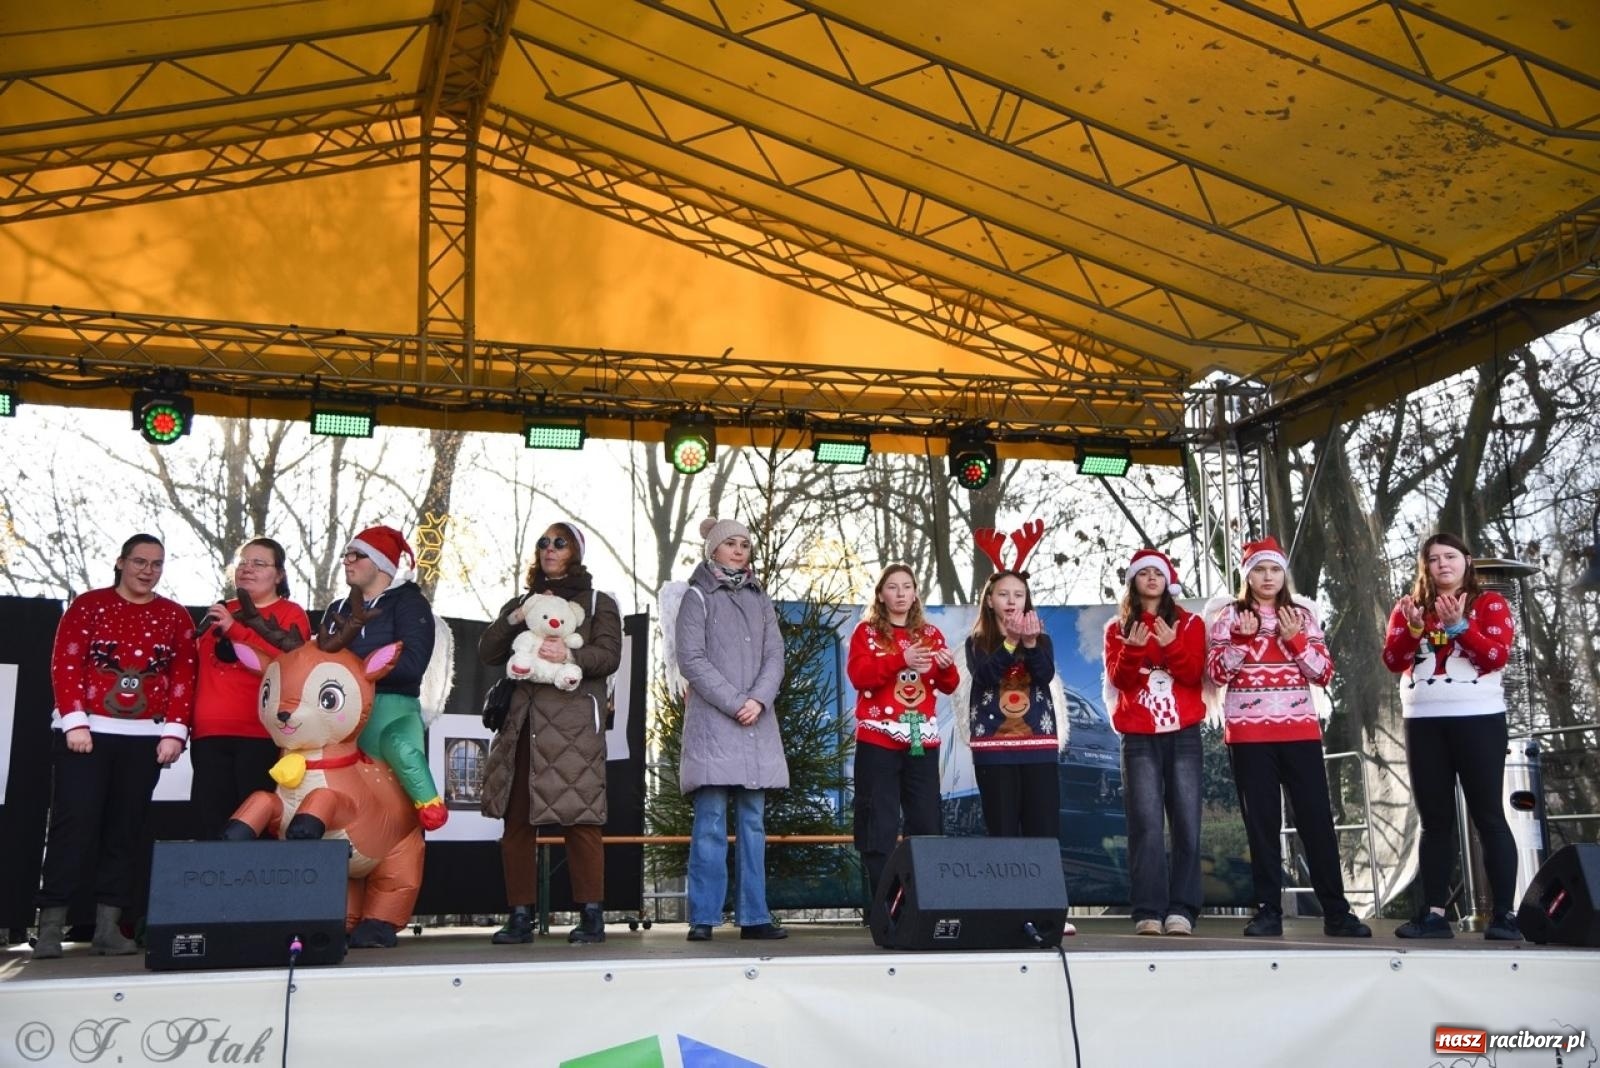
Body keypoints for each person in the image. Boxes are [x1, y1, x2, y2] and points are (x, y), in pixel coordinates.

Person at [35, 533, 198, 958]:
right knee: (74, 826)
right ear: (121, 562)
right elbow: (65, 663)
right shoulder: (89, 605)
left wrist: (174, 730)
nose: (148, 570)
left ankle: (109, 927)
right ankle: (51, 925)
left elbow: (183, 674)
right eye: (140, 561)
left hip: (145, 739)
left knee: (126, 830)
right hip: (85, 736)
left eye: (157, 563)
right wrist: (74, 720)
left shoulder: (175, 617)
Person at [1205, 535, 1370, 938]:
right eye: (1259, 570)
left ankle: (1336, 911)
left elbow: (1323, 673)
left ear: (1284, 574)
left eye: (1274, 569)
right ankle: (1267, 910)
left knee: (1316, 819)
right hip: (1248, 733)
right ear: (1247, 575)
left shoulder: (1303, 615)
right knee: (1261, 824)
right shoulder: (1228, 616)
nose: (1267, 577)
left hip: (1299, 730)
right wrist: (1242, 643)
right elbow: (1216, 675)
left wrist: (1295, 640)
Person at [479, 521, 622, 945]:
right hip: (524, 723)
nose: (548, 548)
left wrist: (571, 650)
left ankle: (591, 915)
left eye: (559, 542)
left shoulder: (599, 602)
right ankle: (519, 915)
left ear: (575, 551)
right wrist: (515, 617)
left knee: (582, 818)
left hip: (575, 723)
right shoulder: (523, 600)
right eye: (543, 542)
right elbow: (488, 651)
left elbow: (610, 655)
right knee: (517, 819)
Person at [1382, 533, 1521, 941]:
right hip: (1423, 720)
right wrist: (1411, 629)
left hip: (1478, 718)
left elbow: (1497, 656)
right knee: (1434, 822)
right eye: (1433, 559)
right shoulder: (1410, 607)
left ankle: (1504, 916)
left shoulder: (1489, 603)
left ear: (1466, 561)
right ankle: (1433, 915)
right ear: (1424, 567)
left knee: (1489, 817)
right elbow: (1393, 660)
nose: (1442, 564)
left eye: (1450, 557)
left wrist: (1459, 626)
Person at [675, 517, 789, 942]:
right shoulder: (697, 596)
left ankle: (755, 916)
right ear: (714, 551)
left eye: (745, 544)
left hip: (756, 723)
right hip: (714, 725)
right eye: (731, 544)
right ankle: (703, 917)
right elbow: (691, 659)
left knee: (753, 823)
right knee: (709, 821)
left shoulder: (761, 598)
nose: (740, 550)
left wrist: (758, 699)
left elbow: (775, 655)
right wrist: (736, 701)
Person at [1103, 548, 1206, 936]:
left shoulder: (1191, 623)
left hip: (1184, 734)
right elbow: (1120, 680)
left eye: (1157, 573)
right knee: (1145, 823)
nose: (1150, 578)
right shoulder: (1117, 627)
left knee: (1186, 822)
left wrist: (1172, 643)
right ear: (1133, 581)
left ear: (1168, 581)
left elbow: (1194, 673)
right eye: (1143, 573)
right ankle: (1148, 909)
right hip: (1139, 736)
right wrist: (1132, 647)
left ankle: (1182, 910)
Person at [321, 524, 447, 833]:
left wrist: (360, 672)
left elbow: (412, 664)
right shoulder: (338, 608)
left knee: (400, 749)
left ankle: (430, 805)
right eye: (346, 555)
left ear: (381, 564)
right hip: (341, 717)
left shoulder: (410, 603)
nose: (347, 561)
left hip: (392, 708)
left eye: (357, 555)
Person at [847, 564, 958, 903]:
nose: (900, 593)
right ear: (881, 594)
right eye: (892, 587)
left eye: (906, 587)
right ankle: (883, 904)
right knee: (878, 819)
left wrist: (945, 666)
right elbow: (860, 676)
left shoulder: (931, 635)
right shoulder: (866, 633)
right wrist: (901, 658)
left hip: (917, 735)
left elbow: (949, 685)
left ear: (914, 594)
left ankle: (922, 901)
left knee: (925, 817)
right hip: (878, 736)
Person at [190, 537, 310, 835]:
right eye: (243, 562)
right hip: (209, 733)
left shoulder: (290, 614)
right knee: (210, 824)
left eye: (259, 563)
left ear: (279, 574)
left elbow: (289, 665)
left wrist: (234, 629)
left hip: (260, 734)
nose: (247, 569)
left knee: (254, 826)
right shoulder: (220, 609)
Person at [965, 568, 1062, 840]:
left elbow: (1045, 676)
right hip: (994, 750)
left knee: (1043, 833)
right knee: (1003, 834)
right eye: (1004, 594)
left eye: (1019, 595)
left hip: (1038, 748)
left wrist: (1030, 644)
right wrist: (1010, 642)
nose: (1011, 601)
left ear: (1026, 600)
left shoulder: (1043, 641)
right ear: (989, 600)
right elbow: (984, 676)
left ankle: (1042, 884)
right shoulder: (977, 642)